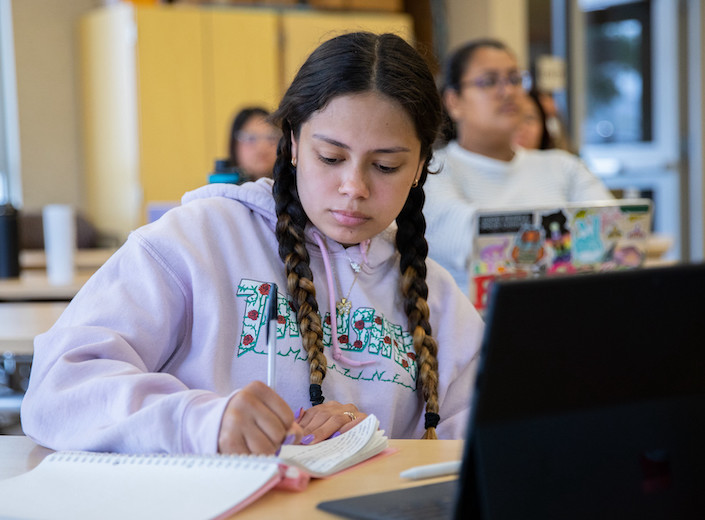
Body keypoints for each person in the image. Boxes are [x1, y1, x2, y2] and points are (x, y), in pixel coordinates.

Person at [21, 32, 483, 455]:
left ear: (421, 165)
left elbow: (486, 445)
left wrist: (373, 442)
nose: (354, 187)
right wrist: (201, 420)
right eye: (331, 157)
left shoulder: (434, 295)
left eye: (385, 166)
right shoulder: (200, 239)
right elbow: (57, 389)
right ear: (295, 144)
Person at [424, 38, 613, 295]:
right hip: (476, 326)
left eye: (514, 79)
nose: (508, 91)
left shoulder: (563, 165)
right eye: (489, 81)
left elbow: (612, 232)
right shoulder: (434, 170)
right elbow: (471, 244)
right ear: (454, 101)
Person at [226, 106, 280, 181]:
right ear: (234, 144)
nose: (262, 147)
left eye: (271, 137)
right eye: (251, 138)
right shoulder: (220, 190)